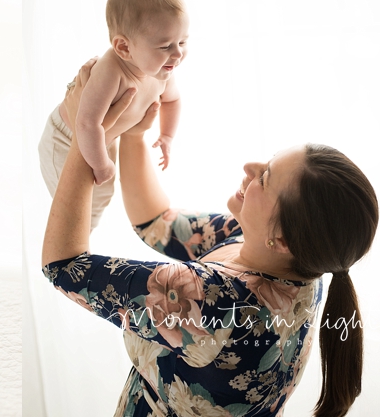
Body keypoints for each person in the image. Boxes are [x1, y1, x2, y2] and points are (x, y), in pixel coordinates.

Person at [41, 60, 377, 417]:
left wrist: (87, 132)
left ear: (282, 239)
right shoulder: (298, 260)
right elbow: (158, 225)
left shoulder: (212, 300)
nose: (250, 167)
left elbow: (64, 266)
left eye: (265, 178)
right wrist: (136, 134)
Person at [38, 0, 185, 230]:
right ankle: (72, 243)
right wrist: (101, 164)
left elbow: (173, 100)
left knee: (99, 202)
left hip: (103, 138)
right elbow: (86, 122)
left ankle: (86, 234)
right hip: (65, 139)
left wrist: (167, 136)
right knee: (72, 210)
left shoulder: (161, 71)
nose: (178, 53)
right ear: (124, 47)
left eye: (182, 42)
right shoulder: (110, 72)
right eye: (165, 46)